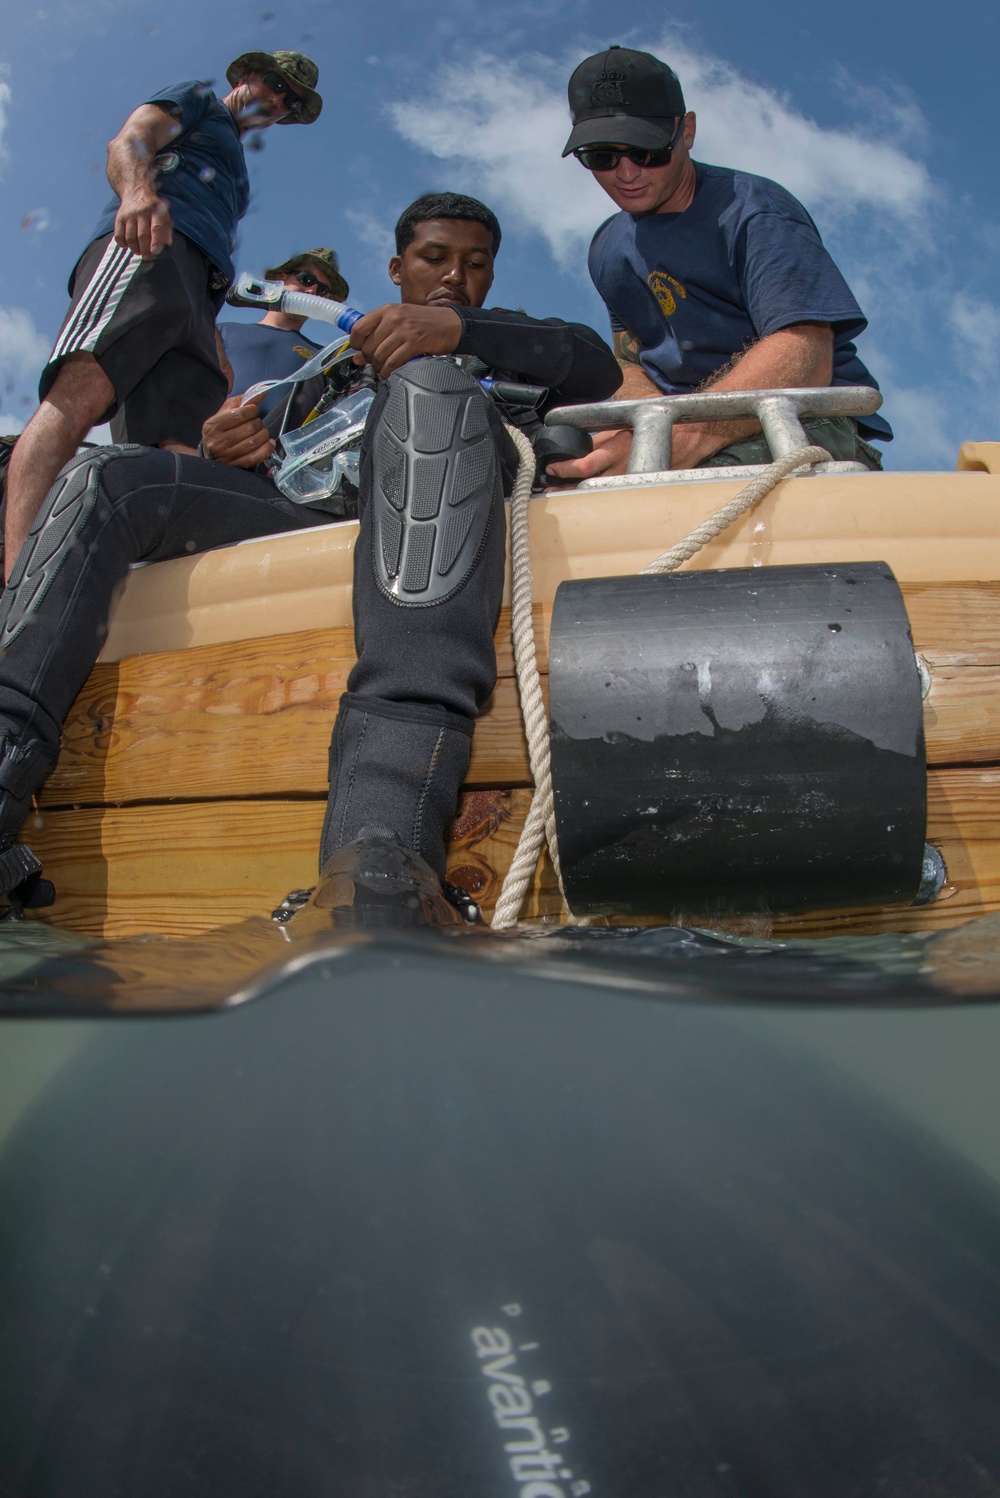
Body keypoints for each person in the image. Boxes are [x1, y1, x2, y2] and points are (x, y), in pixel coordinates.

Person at [0, 193, 620, 908]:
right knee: (104, 476)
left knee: (427, 392)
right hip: (301, 512)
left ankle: (383, 848)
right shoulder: (328, 366)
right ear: (397, 267)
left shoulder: (508, 337)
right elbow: (247, 445)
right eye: (435, 258)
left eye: (475, 265)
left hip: (440, 509)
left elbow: (595, 366)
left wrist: (452, 331)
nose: (455, 274)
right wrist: (223, 445)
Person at [3, 50, 322, 578]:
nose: (277, 100)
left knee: (180, 448)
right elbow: (130, 139)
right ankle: (20, 587)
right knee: (80, 392)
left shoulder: (236, 173)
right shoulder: (198, 100)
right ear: (244, 77)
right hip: (149, 246)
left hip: (199, 289)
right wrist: (136, 193)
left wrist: (213, 343)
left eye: (290, 101)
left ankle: (139, 593)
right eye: (273, 83)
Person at [548, 46, 892, 486]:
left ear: (686, 131)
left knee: (693, 499)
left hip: (808, 422)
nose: (627, 173)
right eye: (602, 157)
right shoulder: (607, 249)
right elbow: (631, 362)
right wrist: (638, 430)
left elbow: (807, 349)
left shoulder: (755, 212)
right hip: (677, 428)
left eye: (647, 151)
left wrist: (678, 439)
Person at [218, 248, 350, 418]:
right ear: (282, 278)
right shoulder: (223, 333)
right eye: (306, 279)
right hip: (210, 438)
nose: (312, 292)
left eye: (322, 290)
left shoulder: (324, 358)